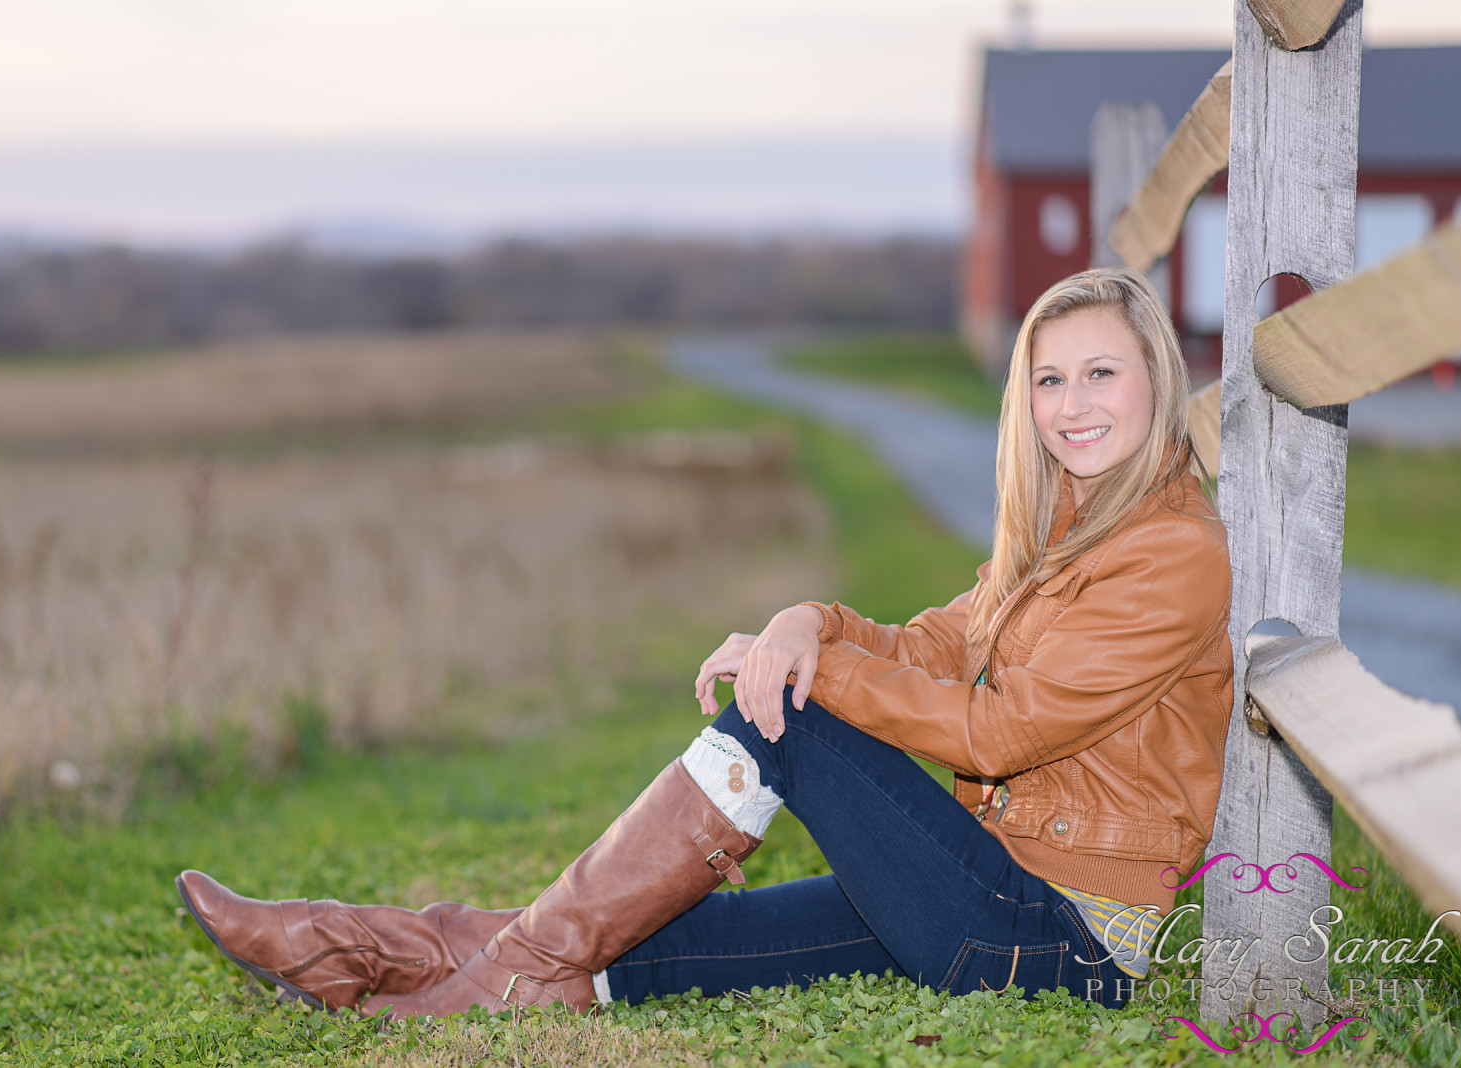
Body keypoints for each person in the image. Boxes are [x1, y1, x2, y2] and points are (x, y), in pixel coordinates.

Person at [176, 266, 1233, 1019]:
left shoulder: (1170, 554)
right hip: (986, 885)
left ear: (1156, 380)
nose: (1072, 404)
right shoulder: (1054, 541)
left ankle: (486, 993)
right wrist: (804, 622)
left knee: (793, 716)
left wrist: (802, 671)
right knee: (660, 943)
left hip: (1063, 941)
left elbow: (1001, 731)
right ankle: (349, 945)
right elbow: (924, 646)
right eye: (1049, 380)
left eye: (1101, 374)